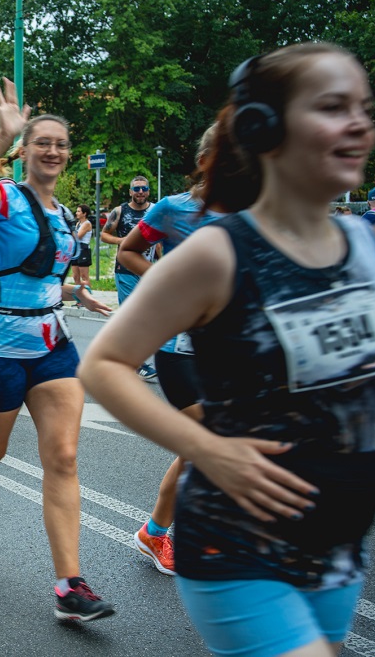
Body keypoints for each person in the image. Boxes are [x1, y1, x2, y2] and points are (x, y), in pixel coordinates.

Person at [80, 43, 375, 657]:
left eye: (365, 108)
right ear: (265, 127)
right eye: (333, 106)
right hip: (236, 545)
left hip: (339, 542)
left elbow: (374, 391)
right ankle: (159, 529)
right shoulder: (218, 252)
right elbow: (104, 365)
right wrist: (206, 449)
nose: (360, 124)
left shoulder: (374, 248)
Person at [0, 78, 114, 622]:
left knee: (63, 457)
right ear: (26, 149)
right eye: (42, 141)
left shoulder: (65, 217)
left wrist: (78, 294)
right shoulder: (3, 197)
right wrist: (0, 138)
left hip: (51, 347)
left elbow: (38, 279)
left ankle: (70, 584)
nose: (53, 151)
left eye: (61, 144)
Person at [114, 124, 224, 576]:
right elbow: (127, 251)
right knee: (206, 445)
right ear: (207, 161)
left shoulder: (253, 211)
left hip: (236, 352)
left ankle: (169, 532)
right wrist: (169, 286)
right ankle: (159, 534)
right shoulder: (174, 209)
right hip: (184, 350)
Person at [101, 175, 159, 381]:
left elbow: (160, 241)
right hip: (125, 270)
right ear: (130, 191)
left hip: (148, 270)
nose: (140, 192)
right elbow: (104, 234)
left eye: (144, 188)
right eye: (137, 189)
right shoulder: (120, 211)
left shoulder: (155, 210)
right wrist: (122, 240)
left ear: (149, 191)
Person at [69, 205, 93, 290]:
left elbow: (78, 236)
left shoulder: (87, 224)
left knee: (84, 276)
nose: (76, 213)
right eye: (77, 211)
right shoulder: (78, 223)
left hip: (83, 249)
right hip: (76, 248)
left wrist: (69, 233)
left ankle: (88, 298)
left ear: (84, 213)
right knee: (75, 275)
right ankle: (79, 298)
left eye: (79, 211)